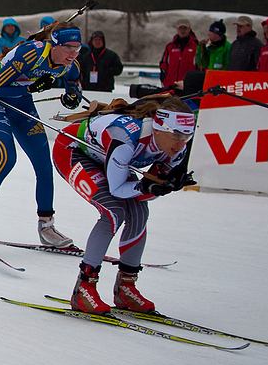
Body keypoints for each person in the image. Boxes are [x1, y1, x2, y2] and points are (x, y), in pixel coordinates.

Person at [52, 95, 196, 313]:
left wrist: (163, 187)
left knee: (139, 213)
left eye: (187, 135)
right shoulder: (127, 137)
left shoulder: (177, 149)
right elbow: (117, 190)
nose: (181, 142)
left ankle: (126, 287)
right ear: (158, 126)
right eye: (176, 134)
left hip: (107, 158)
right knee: (113, 211)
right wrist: (148, 187)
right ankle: (84, 287)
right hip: (73, 151)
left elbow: (144, 194)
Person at [0, 22, 84, 247]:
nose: (73, 53)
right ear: (54, 44)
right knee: (7, 158)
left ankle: (46, 226)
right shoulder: (31, 53)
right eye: (68, 48)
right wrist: (32, 88)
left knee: (44, 165)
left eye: (77, 48)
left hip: (23, 107)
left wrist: (72, 96)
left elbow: (74, 80)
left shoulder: (69, 64)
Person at [158, 19, 199, 90]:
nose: (183, 31)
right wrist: (164, 79)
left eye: (185, 28)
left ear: (189, 29)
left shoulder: (196, 47)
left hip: (188, 87)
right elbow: (164, 64)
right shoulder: (170, 47)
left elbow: (200, 67)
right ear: (177, 29)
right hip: (170, 86)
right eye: (180, 28)